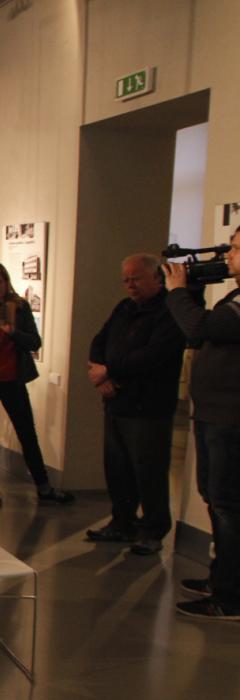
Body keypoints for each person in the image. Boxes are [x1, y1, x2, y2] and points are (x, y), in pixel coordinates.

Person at [84, 254, 185, 555]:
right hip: (117, 402)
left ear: (157, 277)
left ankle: (153, 530)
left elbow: (153, 356)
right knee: (117, 468)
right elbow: (99, 341)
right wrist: (101, 375)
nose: (130, 285)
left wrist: (109, 370)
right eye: (126, 280)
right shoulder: (124, 308)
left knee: (148, 471)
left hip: (148, 407)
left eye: (136, 278)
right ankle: (122, 522)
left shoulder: (169, 312)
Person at [165, 226, 240, 621]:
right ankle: (221, 580)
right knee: (216, 499)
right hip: (215, 416)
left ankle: (230, 597)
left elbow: (199, 328)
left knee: (228, 507)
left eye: (237, 249)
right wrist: (191, 293)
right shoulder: (233, 297)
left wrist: (178, 292)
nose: (229, 256)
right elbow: (200, 331)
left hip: (231, 419)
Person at [0, 262, 73, 503]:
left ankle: (44, 487)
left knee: (27, 433)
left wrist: (12, 331)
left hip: (13, 380)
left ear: (6, 282)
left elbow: (34, 342)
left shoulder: (19, 307)